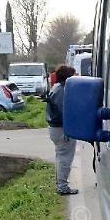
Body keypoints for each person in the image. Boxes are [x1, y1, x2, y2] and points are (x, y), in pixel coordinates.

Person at [46, 64, 78, 195]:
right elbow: (63, 111)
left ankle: (60, 183)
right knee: (65, 157)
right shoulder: (62, 90)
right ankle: (63, 186)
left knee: (60, 156)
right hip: (61, 128)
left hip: (55, 128)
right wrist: (68, 128)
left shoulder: (56, 87)